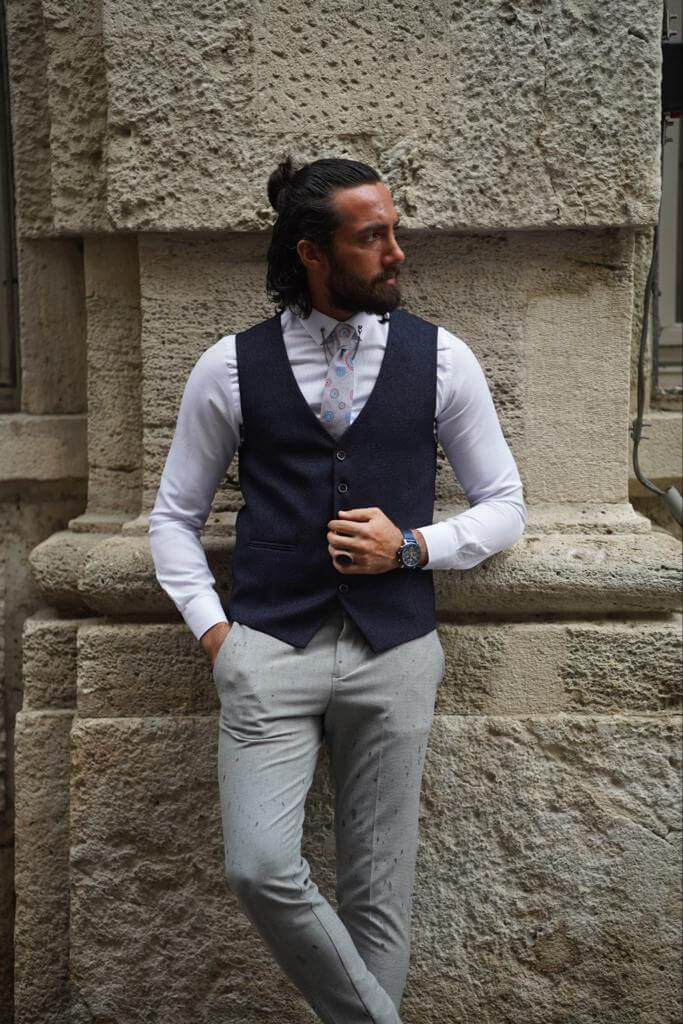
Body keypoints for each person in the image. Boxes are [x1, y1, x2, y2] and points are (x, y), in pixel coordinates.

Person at [149, 156, 526, 1024]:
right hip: (268, 650)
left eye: (394, 231)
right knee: (258, 866)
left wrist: (414, 547)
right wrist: (217, 636)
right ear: (312, 253)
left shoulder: (442, 358)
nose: (396, 252)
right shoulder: (230, 366)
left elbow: (505, 506)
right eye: (372, 237)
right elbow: (173, 517)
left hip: (394, 651)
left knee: (376, 888)